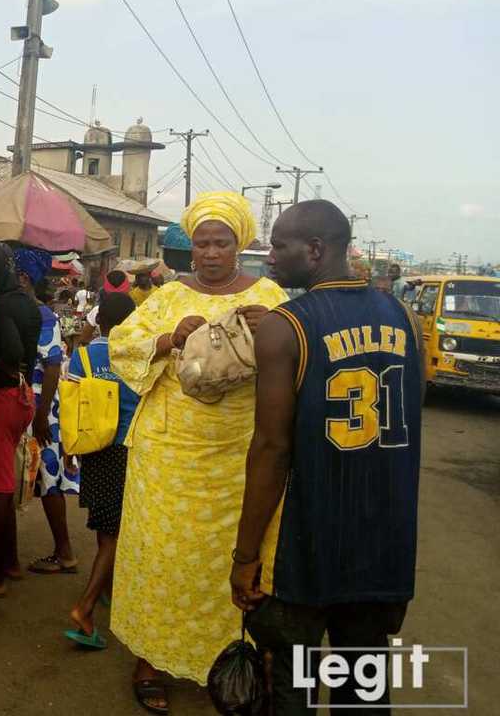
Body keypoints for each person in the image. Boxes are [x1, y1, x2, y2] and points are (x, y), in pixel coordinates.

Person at [231, 201, 423, 715]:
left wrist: (245, 555)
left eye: (278, 245)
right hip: (381, 541)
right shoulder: (403, 318)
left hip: (306, 542)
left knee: (291, 685)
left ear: (314, 250)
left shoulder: (285, 326)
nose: (268, 256)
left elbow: (271, 449)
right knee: (364, 686)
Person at [107, 192, 288, 713]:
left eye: (222, 243)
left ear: (241, 243)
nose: (211, 253)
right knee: (162, 557)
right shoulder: (167, 294)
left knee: (233, 560)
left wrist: (272, 332)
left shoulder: (272, 296)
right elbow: (122, 345)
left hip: (240, 456)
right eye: (202, 243)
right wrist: (167, 338)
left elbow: (302, 364)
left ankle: (234, 657)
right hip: (169, 455)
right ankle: (150, 658)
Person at [66, 291, 139, 647]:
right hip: (127, 449)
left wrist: (70, 449)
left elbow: (71, 405)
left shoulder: (82, 356)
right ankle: (86, 607)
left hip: (93, 448)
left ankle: (107, 588)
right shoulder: (139, 357)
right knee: (115, 534)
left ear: (101, 321)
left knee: (103, 523)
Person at [0, 242, 41, 597]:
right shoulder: (27, 300)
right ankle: (10, 561)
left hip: (4, 396)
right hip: (23, 395)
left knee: (0, 487)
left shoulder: (0, 304)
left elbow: (12, 350)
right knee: (4, 479)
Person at [15, 247, 80, 575]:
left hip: (41, 408)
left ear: (24, 277)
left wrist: (41, 416)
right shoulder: (28, 310)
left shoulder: (42, 315)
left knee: (48, 478)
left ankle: (65, 552)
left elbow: (53, 365)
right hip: (30, 403)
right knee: (18, 472)